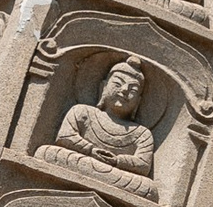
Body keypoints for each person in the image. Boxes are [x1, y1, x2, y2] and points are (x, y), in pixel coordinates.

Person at [35, 60, 160, 198]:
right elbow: (64, 137)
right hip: (81, 160)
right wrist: (91, 150)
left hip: (116, 173)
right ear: (104, 87)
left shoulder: (142, 133)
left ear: (138, 101)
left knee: (147, 188)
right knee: (48, 153)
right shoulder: (82, 111)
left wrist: (117, 161)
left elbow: (143, 164)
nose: (124, 90)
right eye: (118, 84)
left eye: (133, 90)